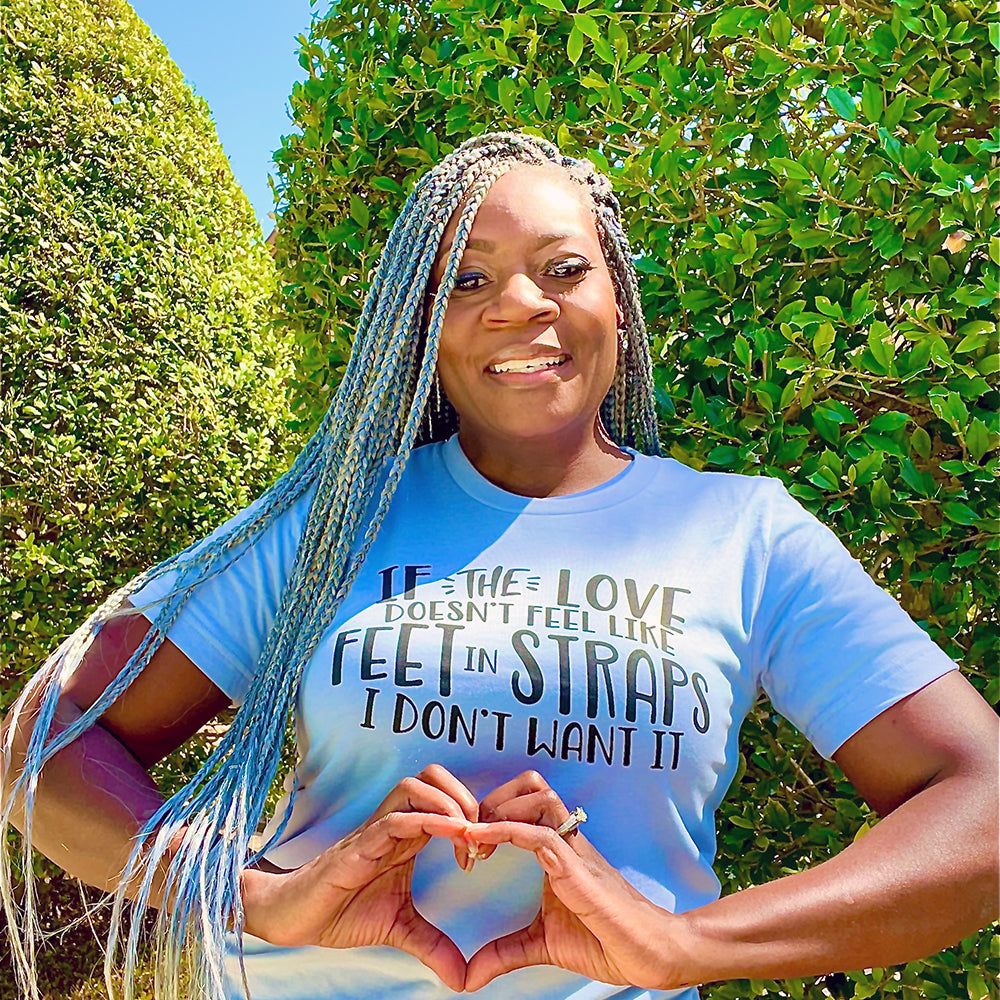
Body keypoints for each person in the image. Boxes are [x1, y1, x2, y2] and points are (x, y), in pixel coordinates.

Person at [2, 132, 996, 1000]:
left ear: (618, 295)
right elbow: (46, 744)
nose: (520, 304)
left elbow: (979, 802)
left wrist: (687, 944)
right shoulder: (336, 519)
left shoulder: (744, 532)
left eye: (563, 268)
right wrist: (256, 897)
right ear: (417, 325)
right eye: (467, 279)